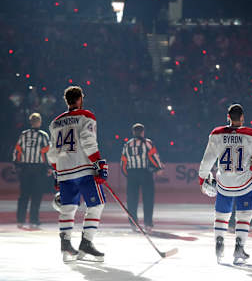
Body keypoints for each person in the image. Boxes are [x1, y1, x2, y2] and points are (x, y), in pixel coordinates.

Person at [198, 104, 252, 264]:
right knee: (244, 216)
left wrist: (202, 177)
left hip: (224, 183)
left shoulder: (216, 134)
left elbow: (208, 159)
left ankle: (219, 243)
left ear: (228, 117)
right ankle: (239, 247)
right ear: (243, 117)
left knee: (221, 216)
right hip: (244, 183)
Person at [47, 86, 108, 262]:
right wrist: (98, 163)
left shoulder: (54, 123)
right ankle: (86, 243)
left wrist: (57, 173)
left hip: (65, 170)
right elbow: (88, 141)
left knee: (67, 208)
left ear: (67, 100)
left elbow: (51, 153)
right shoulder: (86, 116)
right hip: (84, 169)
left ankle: (65, 244)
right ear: (80, 98)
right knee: (97, 205)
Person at [121, 123, 164, 233]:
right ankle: (148, 223)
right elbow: (154, 156)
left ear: (133, 132)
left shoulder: (127, 144)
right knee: (148, 199)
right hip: (145, 173)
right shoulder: (147, 143)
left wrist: (128, 174)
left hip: (132, 174)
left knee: (131, 200)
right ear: (143, 132)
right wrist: (158, 167)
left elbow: (123, 162)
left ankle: (133, 224)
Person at [12, 112, 50, 230]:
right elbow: (47, 152)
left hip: (25, 168)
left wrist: (16, 164)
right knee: (36, 195)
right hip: (38, 168)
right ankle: (33, 220)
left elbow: (17, 151)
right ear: (39, 122)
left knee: (23, 195)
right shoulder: (43, 135)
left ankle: (20, 220)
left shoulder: (24, 135)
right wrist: (48, 167)